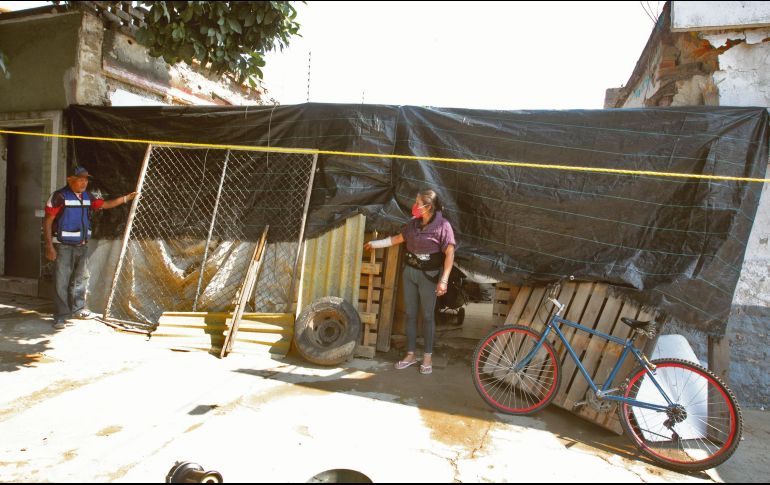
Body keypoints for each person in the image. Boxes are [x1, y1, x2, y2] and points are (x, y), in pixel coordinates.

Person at [364, 189, 456, 375]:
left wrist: (444, 280)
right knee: (411, 314)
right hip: (410, 274)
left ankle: (428, 357)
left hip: (429, 277)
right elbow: (398, 238)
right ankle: (411, 354)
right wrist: (375, 244)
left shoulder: (443, 226)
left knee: (428, 317)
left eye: (417, 203)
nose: (414, 206)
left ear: (428, 207)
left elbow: (450, 253)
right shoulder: (413, 225)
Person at [43, 166, 138, 330]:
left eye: (86, 179)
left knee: (80, 279)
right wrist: (49, 246)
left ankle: (78, 309)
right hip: (63, 246)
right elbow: (48, 221)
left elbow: (105, 204)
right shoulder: (59, 196)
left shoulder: (87, 196)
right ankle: (61, 316)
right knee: (62, 281)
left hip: (82, 245)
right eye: (80, 179)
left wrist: (125, 199)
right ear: (70, 180)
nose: (84, 183)